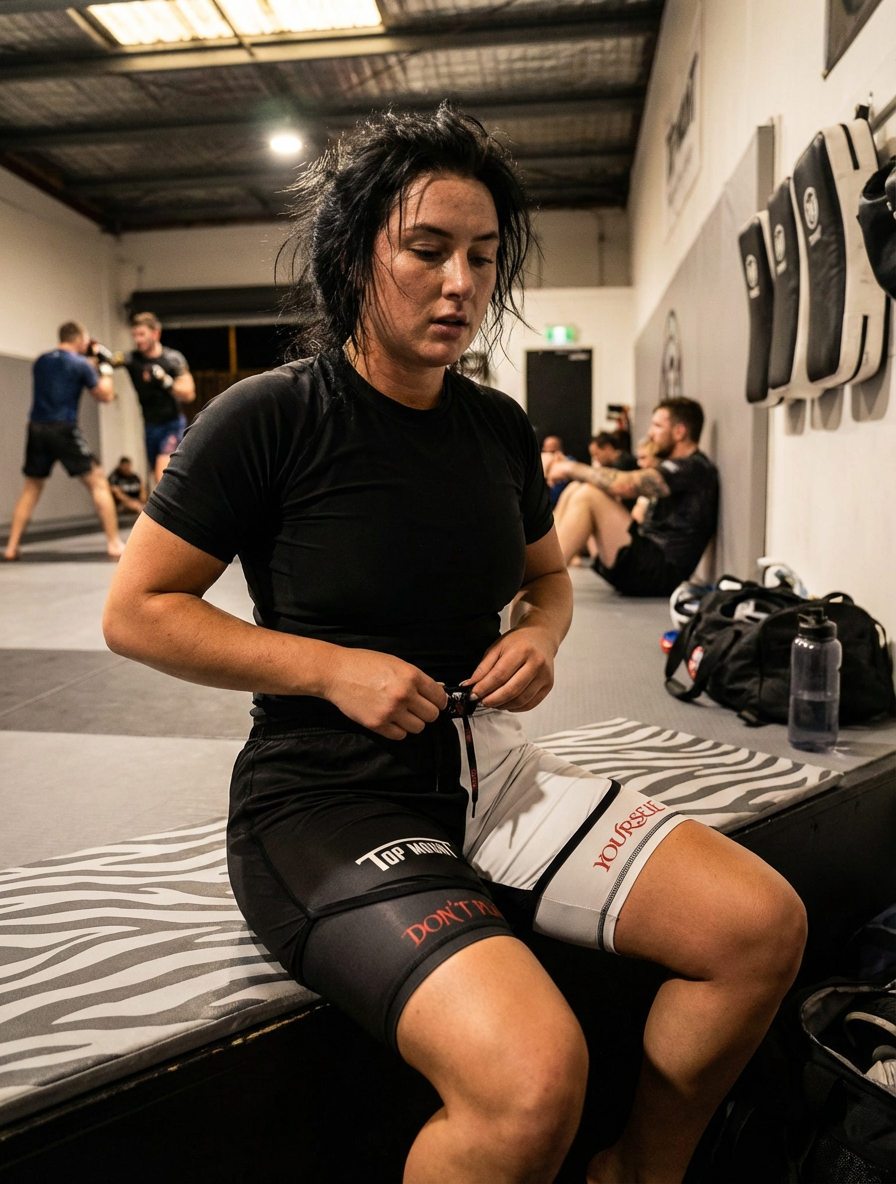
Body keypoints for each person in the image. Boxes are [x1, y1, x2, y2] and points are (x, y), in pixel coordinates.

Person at [103, 107, 804, 1184]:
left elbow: (547, 576)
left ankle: (640, 1171)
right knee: (529, 1079)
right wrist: (327, 665)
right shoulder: (270, 415)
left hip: (491, 773)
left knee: (758, 923)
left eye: (482, 257)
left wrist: (540, 632)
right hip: (326, 799)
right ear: (354, 255)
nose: (459, 283)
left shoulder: (496, 428)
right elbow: (138, 609)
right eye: (425, 249)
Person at [549, 397, 719, 598]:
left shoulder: (694, 467)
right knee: (577, 488)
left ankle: (545, 579)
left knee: (588, 495)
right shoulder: (679, 467)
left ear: (679, 432)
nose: (650, 433)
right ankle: (541, 565)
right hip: (645, 561)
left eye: (657, 425)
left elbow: (625, 485)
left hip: (660, 572)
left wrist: (570, 467)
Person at [4, 322, 124, 561]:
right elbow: (106, 395)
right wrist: (106, 367)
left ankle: (11, 547)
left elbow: (65, 375)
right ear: (80, 340)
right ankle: (114, 544)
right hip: (63, 428)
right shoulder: (79, 363)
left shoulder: (41, 360)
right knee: (98, 482)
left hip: (36, 428)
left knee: (32, 487)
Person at [124, 312, 195, 485]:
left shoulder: (172, 359)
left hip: (171, 424)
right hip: (150, 426)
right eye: (135, 335)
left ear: (156, 333)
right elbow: (111, 360)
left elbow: (189, 393)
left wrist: (165, 380)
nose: (138, 340)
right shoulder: (133, 359)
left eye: (142, 334)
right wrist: (95, 352)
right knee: (155, 478)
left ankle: (167, 512)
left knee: (162, 473)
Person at [540, 434, 575, 507]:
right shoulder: (540, 462)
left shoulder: (568, 461)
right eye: (547, 451)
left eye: (553, 451)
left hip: (564, 504)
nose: (550, 456)